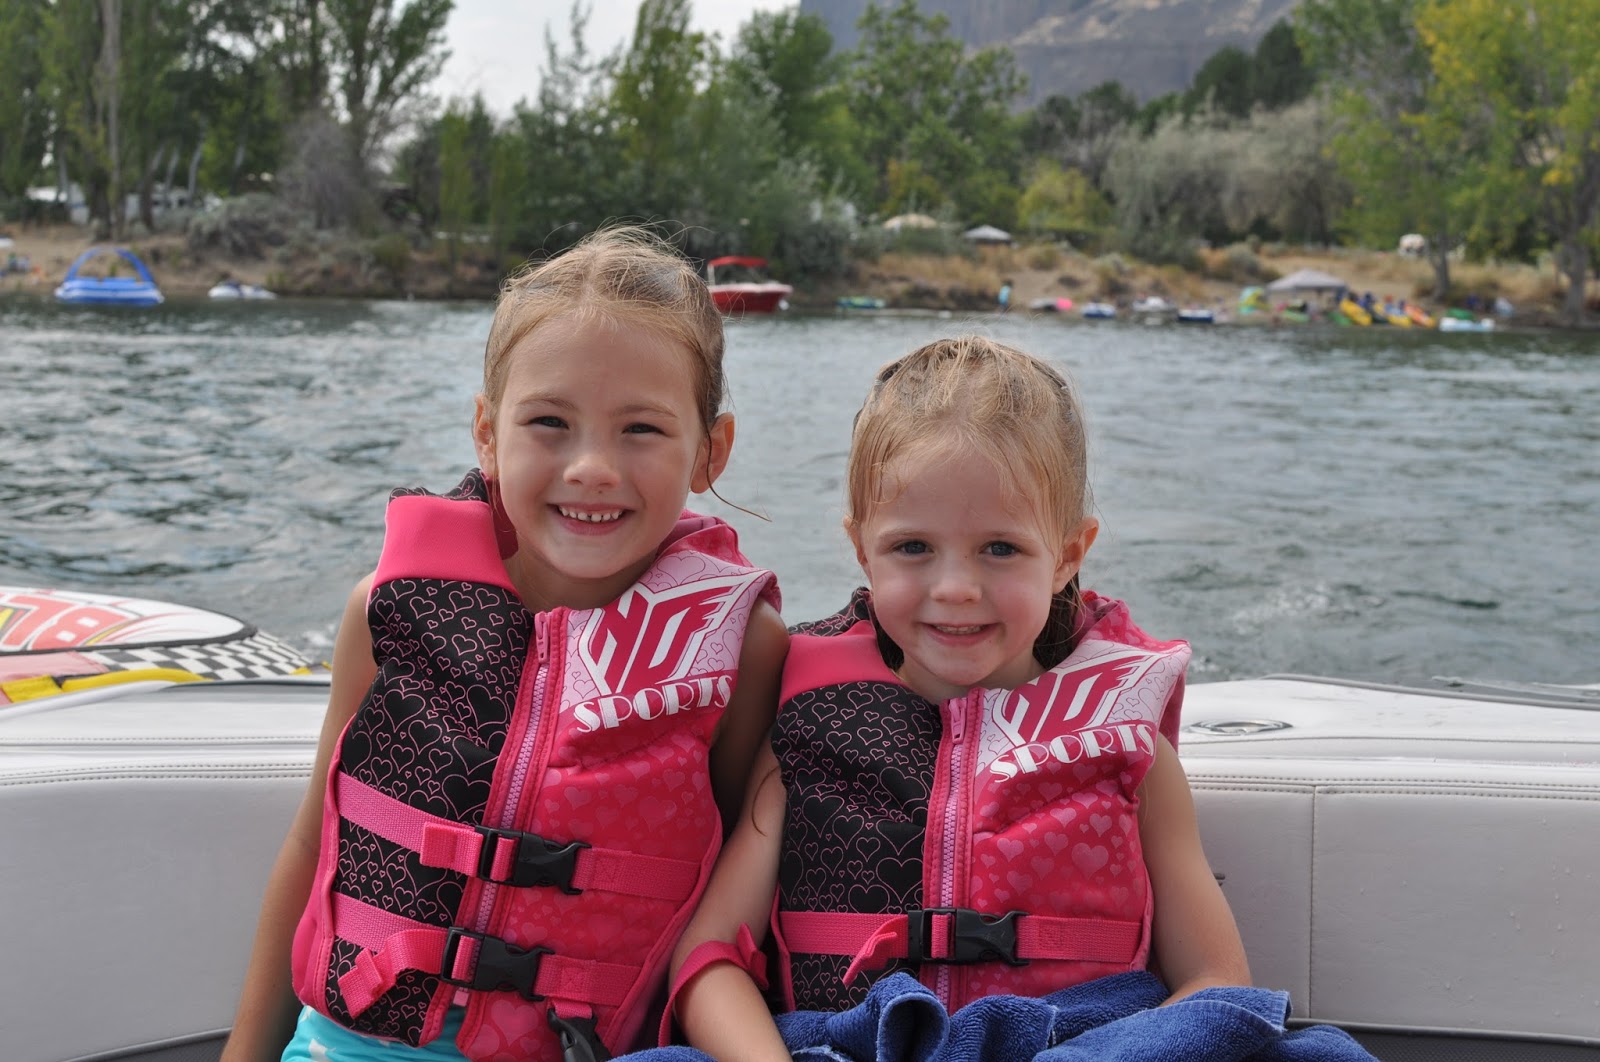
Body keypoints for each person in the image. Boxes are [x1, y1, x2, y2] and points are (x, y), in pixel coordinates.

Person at [653, 338, 1376, 1062]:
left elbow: (1216, 982)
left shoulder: (1133, 753)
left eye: (1000, 549)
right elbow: (709, 958)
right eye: (912, 548)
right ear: (862, 548)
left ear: (1068, 554)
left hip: (1078, 1046)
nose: (956, 588)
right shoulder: (809, 737)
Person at [221, 226, 788, 1062]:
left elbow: (742, 901)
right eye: (550, 422)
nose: (592, 467)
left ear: (711, 451)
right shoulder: (387, 610)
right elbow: (315, 846)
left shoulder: (743, 650)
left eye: (641, 429)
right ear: (487, 433)